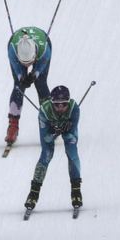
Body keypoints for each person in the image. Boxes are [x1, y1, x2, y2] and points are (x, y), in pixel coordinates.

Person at [25, 85, 82, 213]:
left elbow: (73, 137)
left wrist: (67, 130)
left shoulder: (74, 108)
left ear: (68, 102)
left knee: (72, 151)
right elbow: (46, 139)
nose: (60, 108)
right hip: (49, 130)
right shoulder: (44, 111)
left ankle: (76, 190)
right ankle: (33, 193)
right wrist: (53, 132)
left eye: (63, 104)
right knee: (46, 154)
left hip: (68, 132)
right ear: (51, 103)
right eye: (56, 105)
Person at [5, 26, 51, 145]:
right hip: (16, 45)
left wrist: (35, 74)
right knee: (18, 86)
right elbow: (16, 67)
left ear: (34, 55)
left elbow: (40, 66)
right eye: (24, 63)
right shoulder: (13, 51)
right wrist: (21, 77)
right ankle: (13, 125)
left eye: (30, 62)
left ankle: (50, 121)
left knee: (40, 82)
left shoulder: (44, 51)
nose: (27, 65)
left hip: (42, 44)